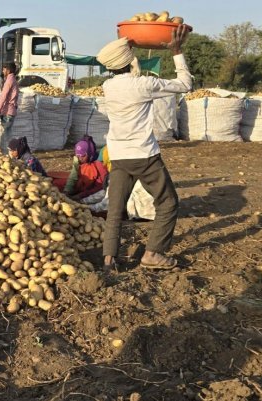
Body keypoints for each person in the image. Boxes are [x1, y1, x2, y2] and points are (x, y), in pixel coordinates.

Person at [98, 25, 192, 271]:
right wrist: (176, 51)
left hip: (118, 155)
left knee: (115, 210)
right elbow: (185, 84)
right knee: (168, 203)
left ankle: (109, 259)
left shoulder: (108, 86)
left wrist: (128, 45)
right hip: (144, 156)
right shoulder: (143, 84)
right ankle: (153, 253)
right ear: (131, 59)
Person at [0, 62, 19, 149]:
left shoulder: (9, 80)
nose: (3, 71)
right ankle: (9, 154)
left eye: (4, 69)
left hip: (7, 111)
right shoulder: (13, 79)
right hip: (11, 111)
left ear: (8, 70)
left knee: (0, 135)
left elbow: (3, 96)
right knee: (7, 135)